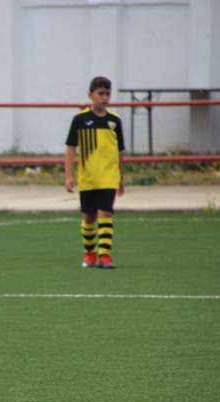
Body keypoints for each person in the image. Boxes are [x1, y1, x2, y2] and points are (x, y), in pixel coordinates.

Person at [65, 76, 125, 269]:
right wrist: (69, 175)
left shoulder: (115, 121)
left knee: (105, 213)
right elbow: (71, 148)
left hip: (109, 176)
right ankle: (90, 253)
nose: (105, 97)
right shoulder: (80, 120)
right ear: (90, 95)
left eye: (108, 93)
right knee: (89, 217)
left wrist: (121, 178)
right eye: (101, 93)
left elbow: (119, 152)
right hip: (88, 177)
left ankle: (105, 256)